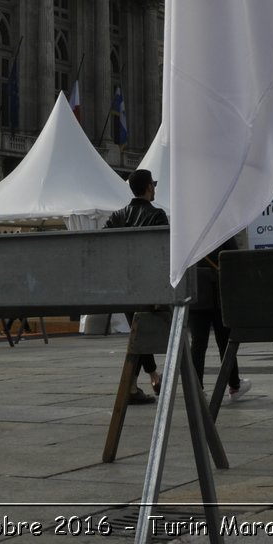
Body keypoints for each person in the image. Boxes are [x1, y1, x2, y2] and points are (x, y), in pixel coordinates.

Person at [104, 169, 167, 403]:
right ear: (149, 187)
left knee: (138, 332)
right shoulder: (157, 215)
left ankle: (150, 378)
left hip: (125, 284)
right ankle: (135, 385)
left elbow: (103, 243)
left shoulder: (118, 216)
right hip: (149, 284)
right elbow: (162, 252)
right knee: (142, 334)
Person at [189, 236, 251, 403]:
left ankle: (196, 390)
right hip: (219, 294)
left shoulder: (189, 229)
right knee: (225, 341)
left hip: (194, 292)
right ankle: (234, 386)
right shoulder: (222, 229)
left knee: (197, 344)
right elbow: (234, 261)